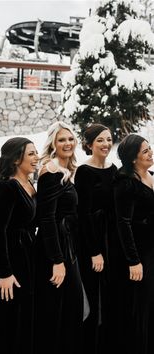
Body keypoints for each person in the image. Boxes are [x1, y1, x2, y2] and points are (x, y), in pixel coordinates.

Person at [34, 121, 88, 354]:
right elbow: (46, 218)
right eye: (61, 139)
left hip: (68, 244)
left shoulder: (68, 170)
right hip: (54, 250)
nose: (67, 143)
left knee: (70, 308)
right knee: (58, 310)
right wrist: (57, 260)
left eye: (70, 138)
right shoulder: (51, 171)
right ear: (53, 144)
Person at [74, 123, 125, 354]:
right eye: (99, 141)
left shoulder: (114, 169)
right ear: (89, 145)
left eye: (108, 139)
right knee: (94, 297)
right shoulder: (84, 172)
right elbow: (83, 215)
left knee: (111, 295)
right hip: (93, 242)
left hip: (112, 240)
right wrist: (95, 251)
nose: (105, 144)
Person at [0, 137, 38, 354]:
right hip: (14, 258)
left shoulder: (29, 183)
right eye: (31, 154)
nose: (36, 158)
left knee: (27, 313)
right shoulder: (9, 187)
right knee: (13, 315)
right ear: (16, 159)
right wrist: (5, 272)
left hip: (28, 253)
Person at [114, 133, 154, 354]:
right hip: (142, 252)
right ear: (132, 158)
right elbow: (124, 223)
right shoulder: (126, 184)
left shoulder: (152, 176)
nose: (151, 153)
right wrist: (134, 260)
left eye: (150, 148)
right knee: (144, 305)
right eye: (145, 151)